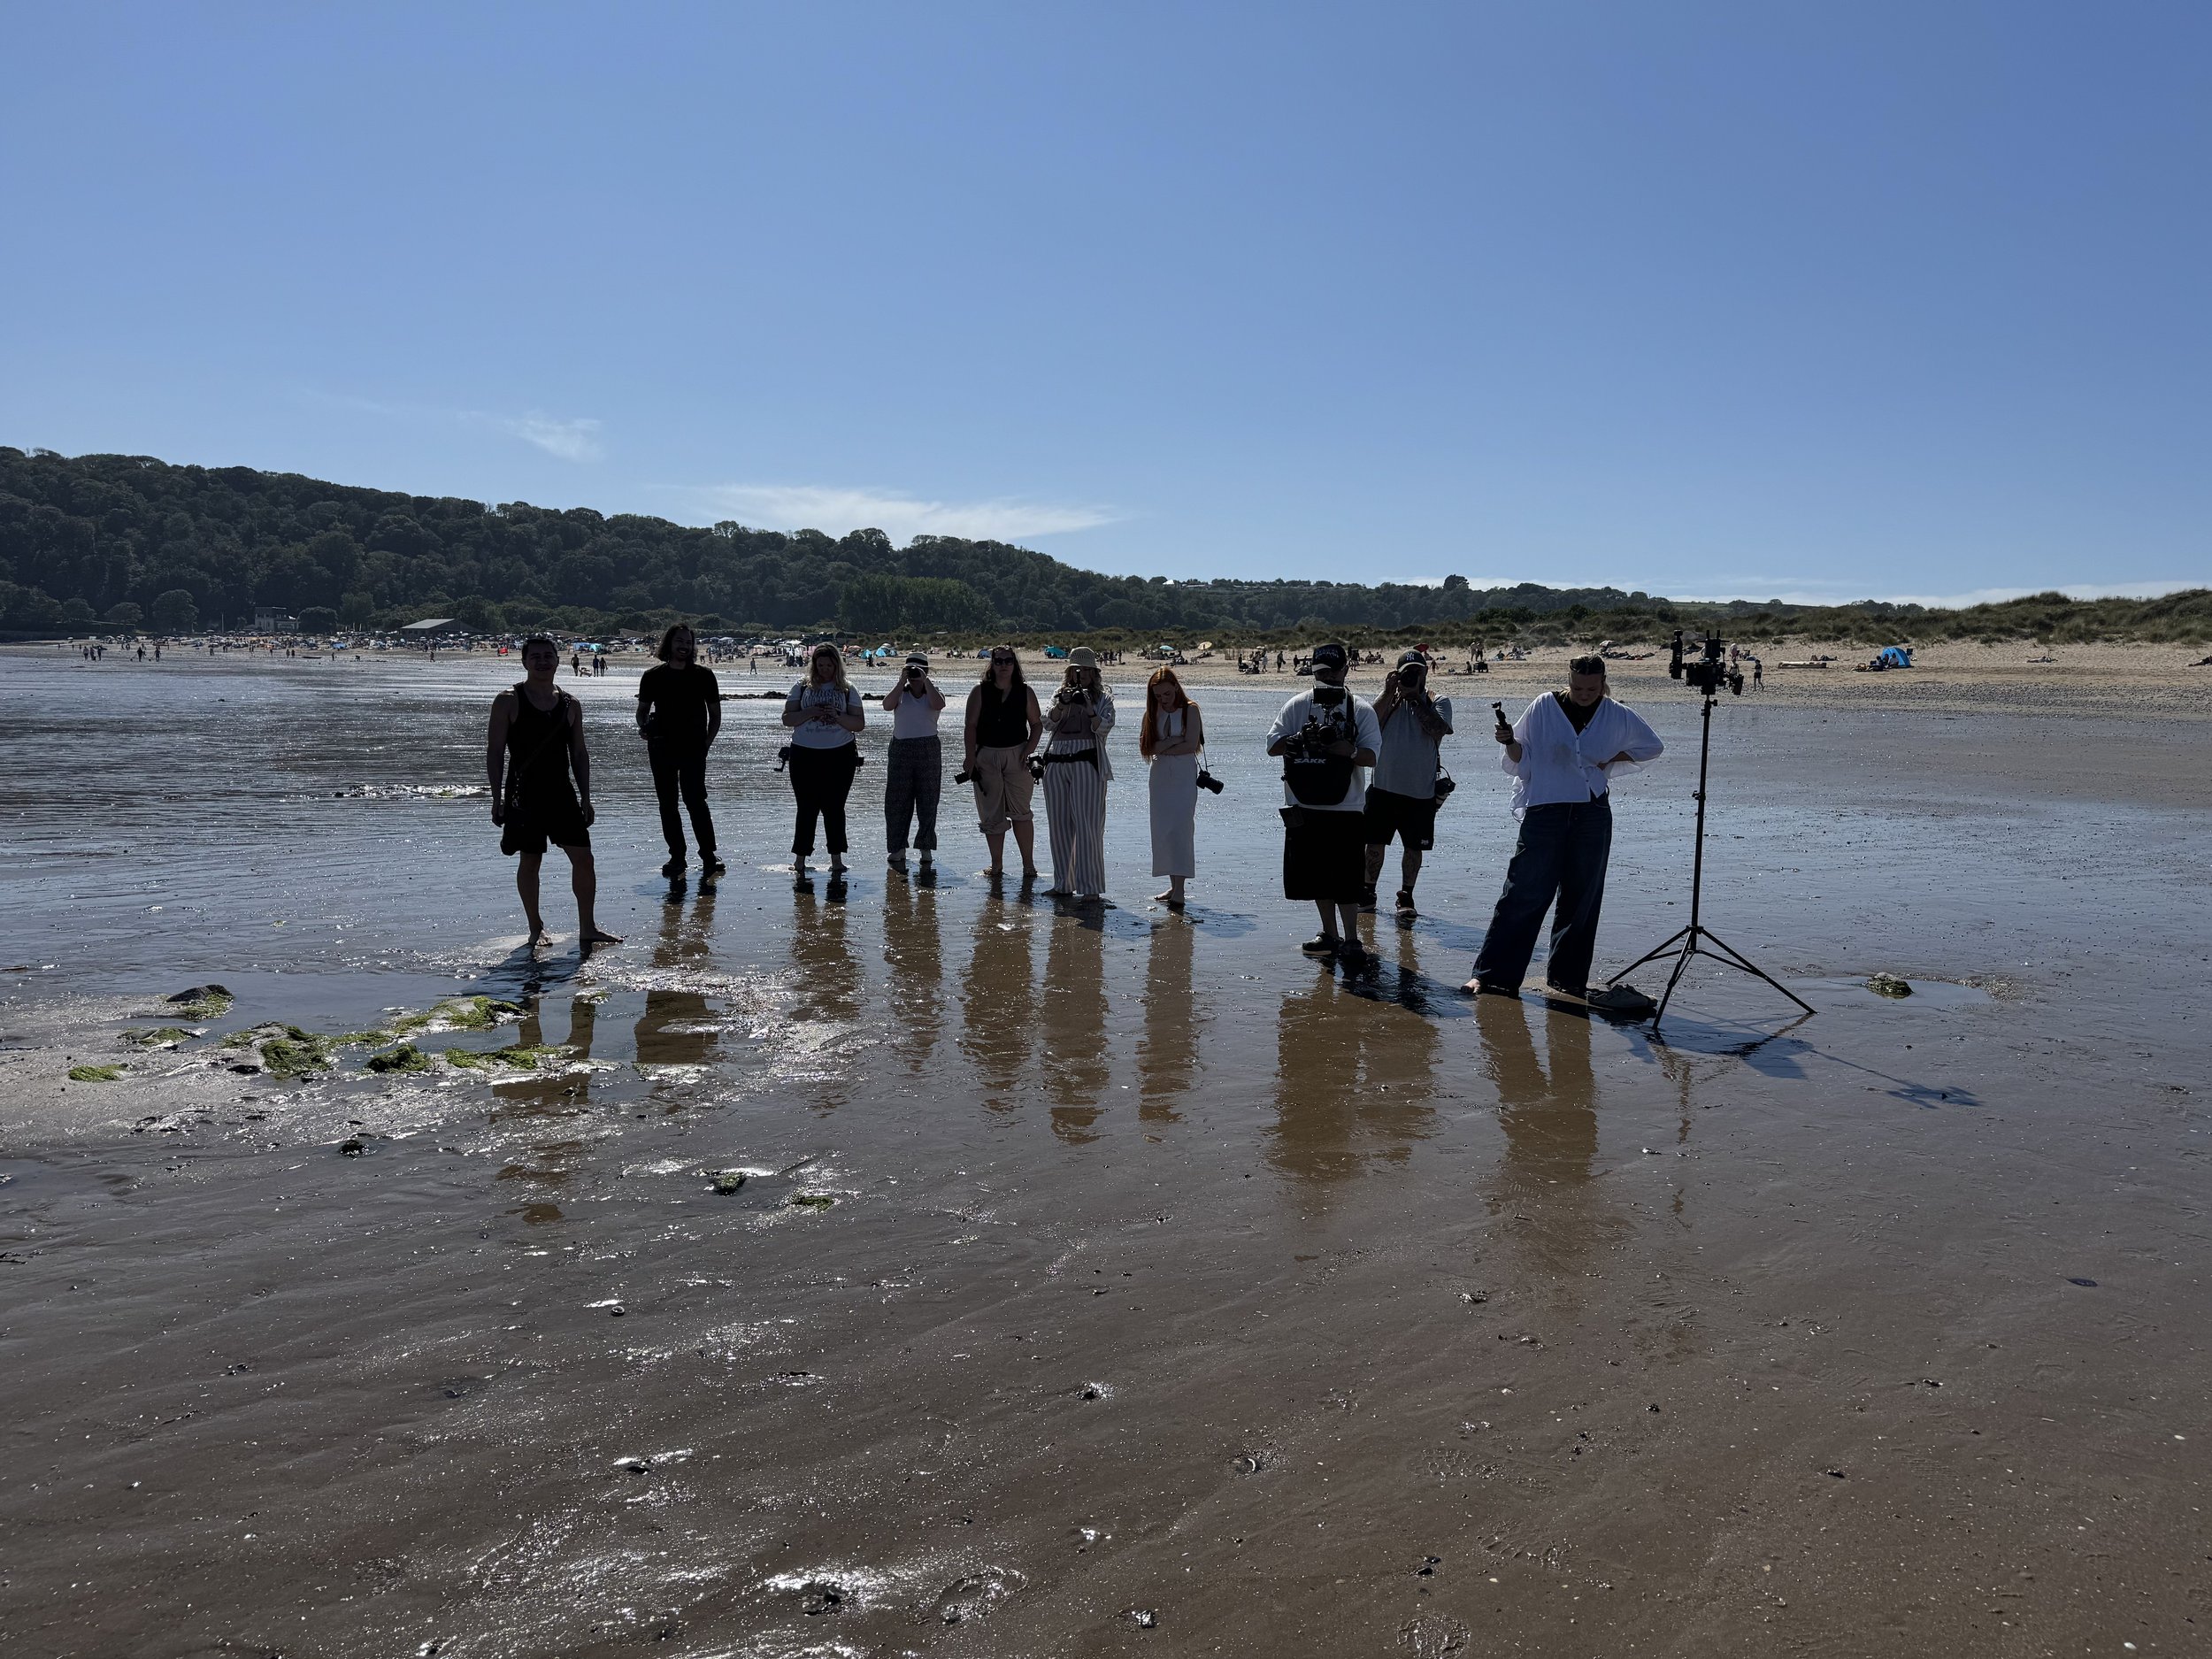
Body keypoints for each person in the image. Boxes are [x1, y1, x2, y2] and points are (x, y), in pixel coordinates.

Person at [1463, 654, 1663, 1003]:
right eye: (1576, 687)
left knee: (1582, 897)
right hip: (1546, 810)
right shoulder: (1544, 706)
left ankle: (1567, 980)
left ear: (1602, 683)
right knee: (1523, 892)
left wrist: (1610, 760)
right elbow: (1519, 758)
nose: (1583, 693)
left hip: (1592, 812)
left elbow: (1652, 746)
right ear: (1567, 681)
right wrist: (1508, 741)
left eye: (1591, 688)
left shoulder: (1615, 712)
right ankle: (1492, 977)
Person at [487, 635, 622, 949]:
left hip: (562, 793)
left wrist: (586, 797)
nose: (543, 661)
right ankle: (535, 927)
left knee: (584, 859)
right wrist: (496, 799)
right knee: (530, 861)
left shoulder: (570, 703)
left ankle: (587, 927)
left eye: (548, 656)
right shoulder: (508, 700)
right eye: (536, 656)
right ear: (524, 661)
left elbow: (579, 754)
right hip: (524, 794)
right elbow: (494, 752)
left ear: (558, 661)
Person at [1266, 641, 1380, 966]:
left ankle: (1352, 938)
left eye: (1334, 670)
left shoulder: (1360, 710)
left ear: (1346, 669)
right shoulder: (1296, 705)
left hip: (1346, 807)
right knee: (1317, 877)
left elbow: (1374, 757)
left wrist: (1350, 751)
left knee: (1346, 879)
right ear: (1313, 672)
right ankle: (1329, 934)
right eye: (1322, 672)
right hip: (1304, 804)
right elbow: (1272, 745)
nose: (1329, 678)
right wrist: (1296, 740)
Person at [1363, 650, 1454, 919]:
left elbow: (1438, 730)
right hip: (1382, 788)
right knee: (1373, 844)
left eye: (1417, 671)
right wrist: (1388, 692)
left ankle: (1406, 895)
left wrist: (1415, 700)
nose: (1412, 676)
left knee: (1414, 848)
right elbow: (1367, 724)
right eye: (1407, 672)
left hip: (1420, 792)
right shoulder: (1388, 700)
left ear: (1425, 673)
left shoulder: (1437, 701)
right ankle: (1367, 892)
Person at [634, 623, 723, 879]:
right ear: (669, 644)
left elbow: (715, 716)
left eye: (688, 642)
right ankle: (677, 856)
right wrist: (644, 728)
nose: (684, 646)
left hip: (694, 747)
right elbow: (642, 712)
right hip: (661, 746)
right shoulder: (653, 676)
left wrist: (706, 744)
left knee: (696, 801)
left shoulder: (704, 676)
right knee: (667, 804)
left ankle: (708, 854)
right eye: (679, 641)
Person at [782, 642, 865, 879]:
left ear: (837, 665)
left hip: (840, 754)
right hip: (804, 753)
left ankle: (836, 860)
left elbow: (859, 724)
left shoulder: (848, 688)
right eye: (820, 665)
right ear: (814, 665)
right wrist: (811, 712)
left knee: (835, 808)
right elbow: (787, 718)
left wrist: (837, 716)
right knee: (806, 808)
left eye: (829, 665)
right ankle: (800, 859)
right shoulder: (801, 686)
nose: (825, 670)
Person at [1041, 647, 1114, 900]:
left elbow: (1104, 727)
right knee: (1058, 827)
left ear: (1095, 673)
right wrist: (1063, 704)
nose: (1080, 675)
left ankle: (1090, 889)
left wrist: (1089, 707)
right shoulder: (1059, 694)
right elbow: (1047, 722)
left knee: (1088, 826)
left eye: (1085, 671)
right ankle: (1063, 884)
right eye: (1075, 670)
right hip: (1056, 761)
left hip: (1087, 761)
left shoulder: (1104, 697)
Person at [963, 647, 1043, 879]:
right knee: (992, 815)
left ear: (1014, 664)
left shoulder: (1025, 692)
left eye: (1008, 661)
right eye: (999, 661)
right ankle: (996, 865)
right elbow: (970, 726)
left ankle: (1028, 866)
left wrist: (1029, 750)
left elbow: (1037, 725)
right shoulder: (980, 691)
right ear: (992, 664)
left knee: (1021, 812)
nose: (1004, 665)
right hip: (986, 756)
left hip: (1018, 755)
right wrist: (970, 757)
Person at [1141, 665, 1203, 908]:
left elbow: (1191, 746)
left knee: (1182, 829)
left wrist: (1165, 744)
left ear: (1176, 688)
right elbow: (1148, 748)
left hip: (1183, 774)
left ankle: (1180, 889)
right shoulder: (1152, 712)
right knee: (1163, 830)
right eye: (1158, 695)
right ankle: (1173, 885)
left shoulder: (1190, 710)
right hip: (1159, 776)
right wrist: (1173, 741)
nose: (1163, 699)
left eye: (1166, 694)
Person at [881, 651, 947, 874]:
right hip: (901, 748)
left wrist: (925, 680)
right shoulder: (901, 693)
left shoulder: (933, 692)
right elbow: (886, 705)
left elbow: (938, 705)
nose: (913, 674)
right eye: (910, 669)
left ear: (926, 671)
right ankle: (897, 847)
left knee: (928, 800)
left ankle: (925, 847)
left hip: (928, 747)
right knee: (897, 801)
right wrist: (901, 681)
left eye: (917, 670)